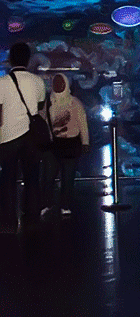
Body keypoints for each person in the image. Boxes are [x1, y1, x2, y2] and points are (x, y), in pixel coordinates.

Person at [0, 42, 45, 232]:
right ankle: (32, 220)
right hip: (31, 137)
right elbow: (41, 106)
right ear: (29, 59)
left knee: (7, 181)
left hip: (8, 136)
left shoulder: (2, 82)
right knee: (32, 179)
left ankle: (8, 223)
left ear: (10, 59)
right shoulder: (38, 81)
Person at [42, 73, 90, 216]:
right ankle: (46, 203)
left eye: (60, 83)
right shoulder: (49, 102)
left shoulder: (75, 102)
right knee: (48, 176)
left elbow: (83, 124)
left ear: (66, 84)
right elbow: (44, 121)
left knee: (68, 178)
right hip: (53, 144)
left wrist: (85, 142)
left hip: (71, 143)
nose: (58, 86)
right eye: (55, 83)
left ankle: (65, 204)